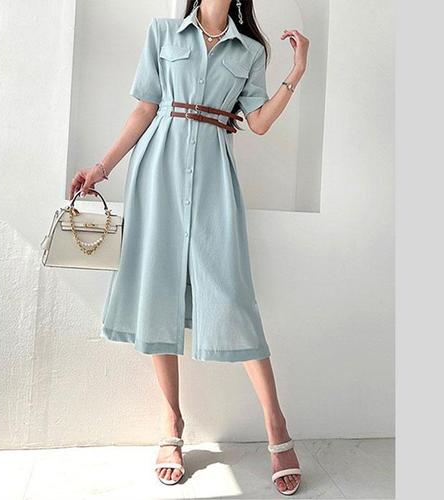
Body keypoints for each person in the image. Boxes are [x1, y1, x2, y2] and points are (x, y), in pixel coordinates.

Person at [70, 0, 309, 495]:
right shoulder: (163, 33)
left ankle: (276, 426)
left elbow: (258, 122)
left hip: (214, 179)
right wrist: (102, 168)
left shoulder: (250, 51)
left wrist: (297, 71)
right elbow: (145, 108)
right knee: (158, 290)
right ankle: (171, 424)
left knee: (233, 297)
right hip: (156, 171)